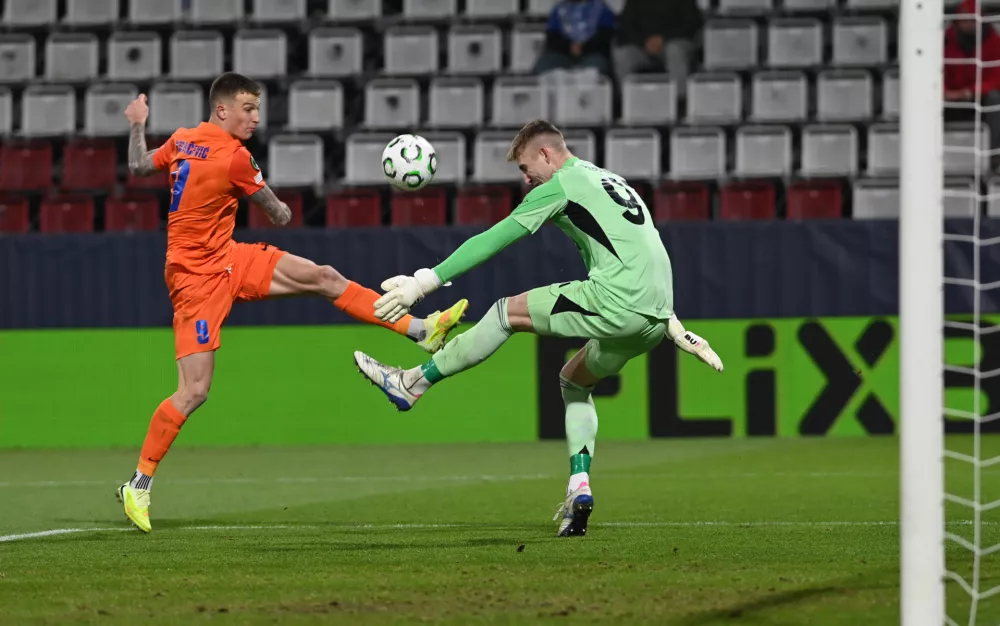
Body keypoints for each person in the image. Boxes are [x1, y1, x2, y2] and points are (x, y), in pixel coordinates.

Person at [116, 72, 468, 533]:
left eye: (257, 110)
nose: (256, 118)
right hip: (195, 280)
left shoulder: (183, 139)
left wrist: (138, 122)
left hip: (229, 257)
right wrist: (272, 201)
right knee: (195, 391)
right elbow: (278, 213)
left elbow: (140, 164)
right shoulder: (235, 158)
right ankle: (138, 483)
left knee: (324, 277)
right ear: (222, 110)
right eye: (248, 109)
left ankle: (421, 330)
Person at [353, 120, 724, 538]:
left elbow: (496, 237)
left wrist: (424, 282)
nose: (526, 179)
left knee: (503, 313)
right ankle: (578, 487)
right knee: (574, 383)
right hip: (653, 319)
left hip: (617, 301)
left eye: (527, 168)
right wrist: (673, 324)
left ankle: (412, 384)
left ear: (547, 154)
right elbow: (644, 252)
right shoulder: (612, 181)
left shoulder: (562, 184)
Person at [944, 0, 1000, 170]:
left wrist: (970, 92)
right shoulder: (946, 40)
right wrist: (946, 92)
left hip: (979, 95)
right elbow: (936, 72)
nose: (968, 23)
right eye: (964, 19)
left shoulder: (994, 41)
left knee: (995, 100)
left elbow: (996, 77)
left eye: (972, 19)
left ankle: (994, 156)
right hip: (952, 96)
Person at [612, 0, 702, 97]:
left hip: (675, 41)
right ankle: (627, 101)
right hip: (642, 45)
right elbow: (626, 24)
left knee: (674, 50)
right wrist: (644, 42)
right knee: (622, 54)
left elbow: (692, 23)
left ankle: (679, 101)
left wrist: (663, 39)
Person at [534, 0, 617, 77]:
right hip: (563, 53)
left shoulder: (602, 10)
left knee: (597, 67)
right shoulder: (559, 10)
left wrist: (583, 47)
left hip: (591, 53)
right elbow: (552, 38)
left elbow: (604, 38)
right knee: (544, 66)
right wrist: (570, 46)